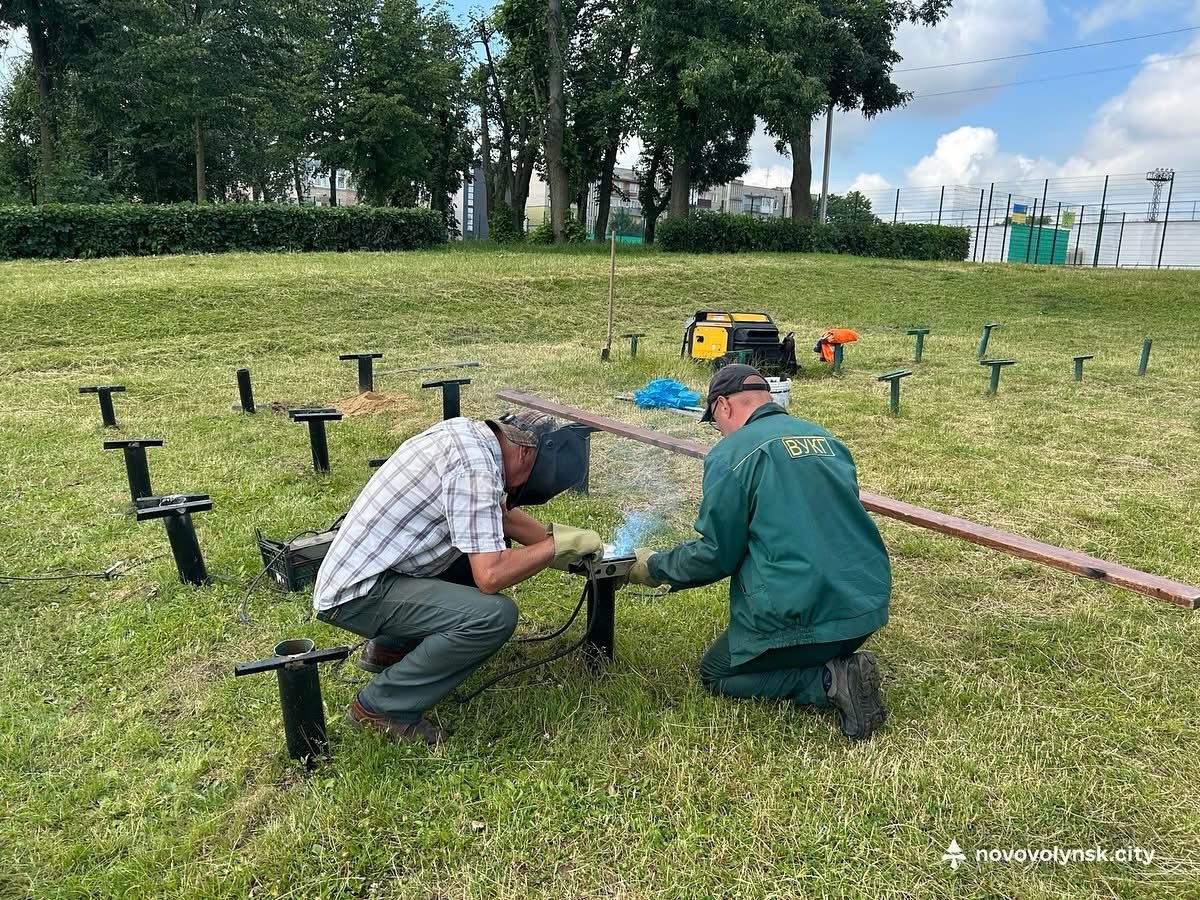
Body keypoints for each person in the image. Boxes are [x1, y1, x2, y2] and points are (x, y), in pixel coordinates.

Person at [627, 364, 890, 740]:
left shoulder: (732, 452)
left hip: (806, 612)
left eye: (715, 423)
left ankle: (828, 680)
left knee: (717, 672)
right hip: (865, 608)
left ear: (723, 405)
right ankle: (833, 661)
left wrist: (653, 567)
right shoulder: (826, 439)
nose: (719, 431)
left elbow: (716, 554)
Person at [313, 411, 603, 745]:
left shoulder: (472, 438)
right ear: (525, 452)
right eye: (526, 481)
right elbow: (491, 575)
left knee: (485, 545)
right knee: (494, 616)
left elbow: (502, 517)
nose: (516, 489)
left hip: (377, 570)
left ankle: (392, 649)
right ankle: (382, 706)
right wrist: (555, 547)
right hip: (358, 594)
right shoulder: (475, 469)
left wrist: (570, 546)